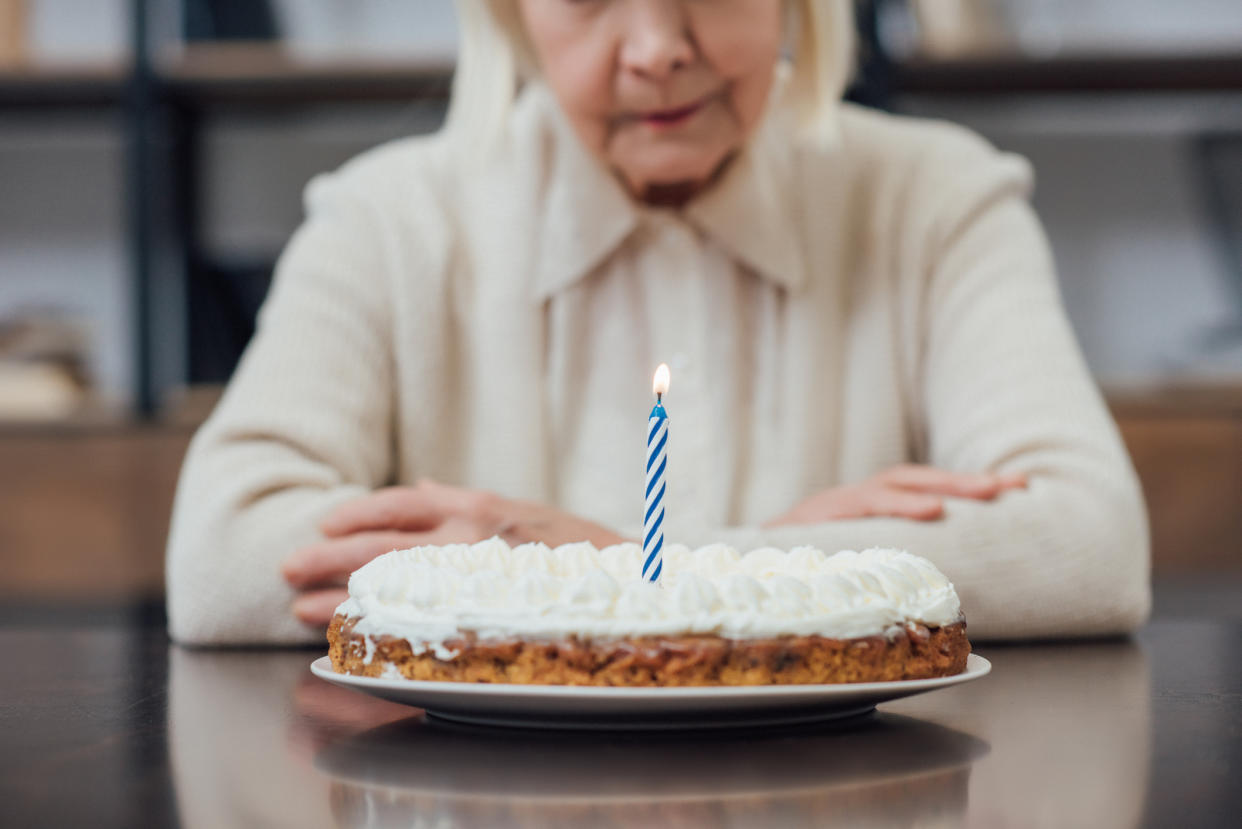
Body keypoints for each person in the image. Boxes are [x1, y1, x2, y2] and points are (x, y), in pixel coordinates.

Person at [166, 0, 1150, 645]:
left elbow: (1088, 546)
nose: (655, 50)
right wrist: (803, 567)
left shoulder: (940, 199)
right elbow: (222, 559)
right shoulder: (387, 219)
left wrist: (609, 565)